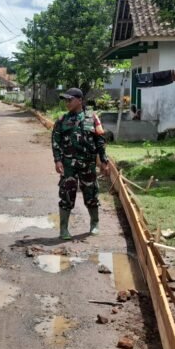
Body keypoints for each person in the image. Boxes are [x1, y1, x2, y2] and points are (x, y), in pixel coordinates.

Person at [52, 87, 110, 240]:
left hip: (88, 165)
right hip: (68, 166)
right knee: (66, 195)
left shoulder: (92, 118)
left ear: (79, 100)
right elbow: (55, 141)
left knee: (91, 194)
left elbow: (100, 141)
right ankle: (63, 229)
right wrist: (57, 160)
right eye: (65, 100)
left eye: (70, 100)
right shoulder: (62, 120)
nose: (67, 103)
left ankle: (94, 223)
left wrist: (104, 161)